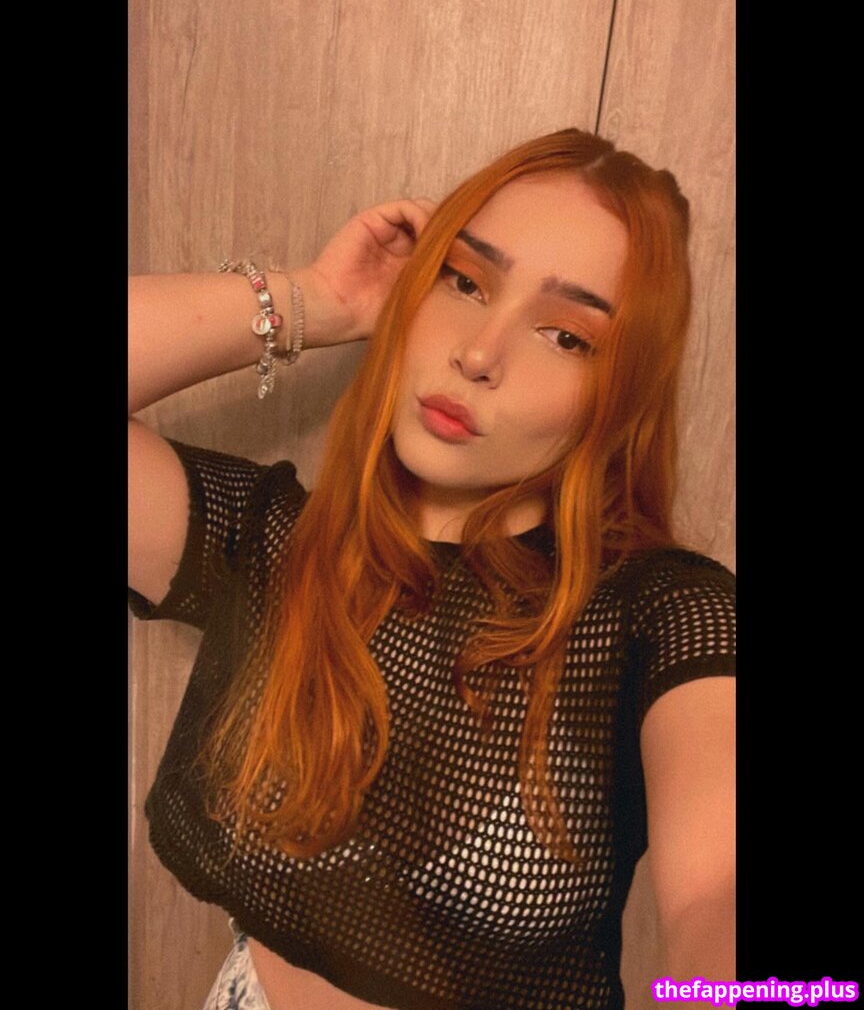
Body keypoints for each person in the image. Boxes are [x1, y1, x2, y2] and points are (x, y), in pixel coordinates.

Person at [129, 127, 736, 1010]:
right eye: (464, 282)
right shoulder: (275, 544)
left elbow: (718, 895)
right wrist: (319, 301)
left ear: (620, 394)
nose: (479, 353)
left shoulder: (660, 616)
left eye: (566, 336)